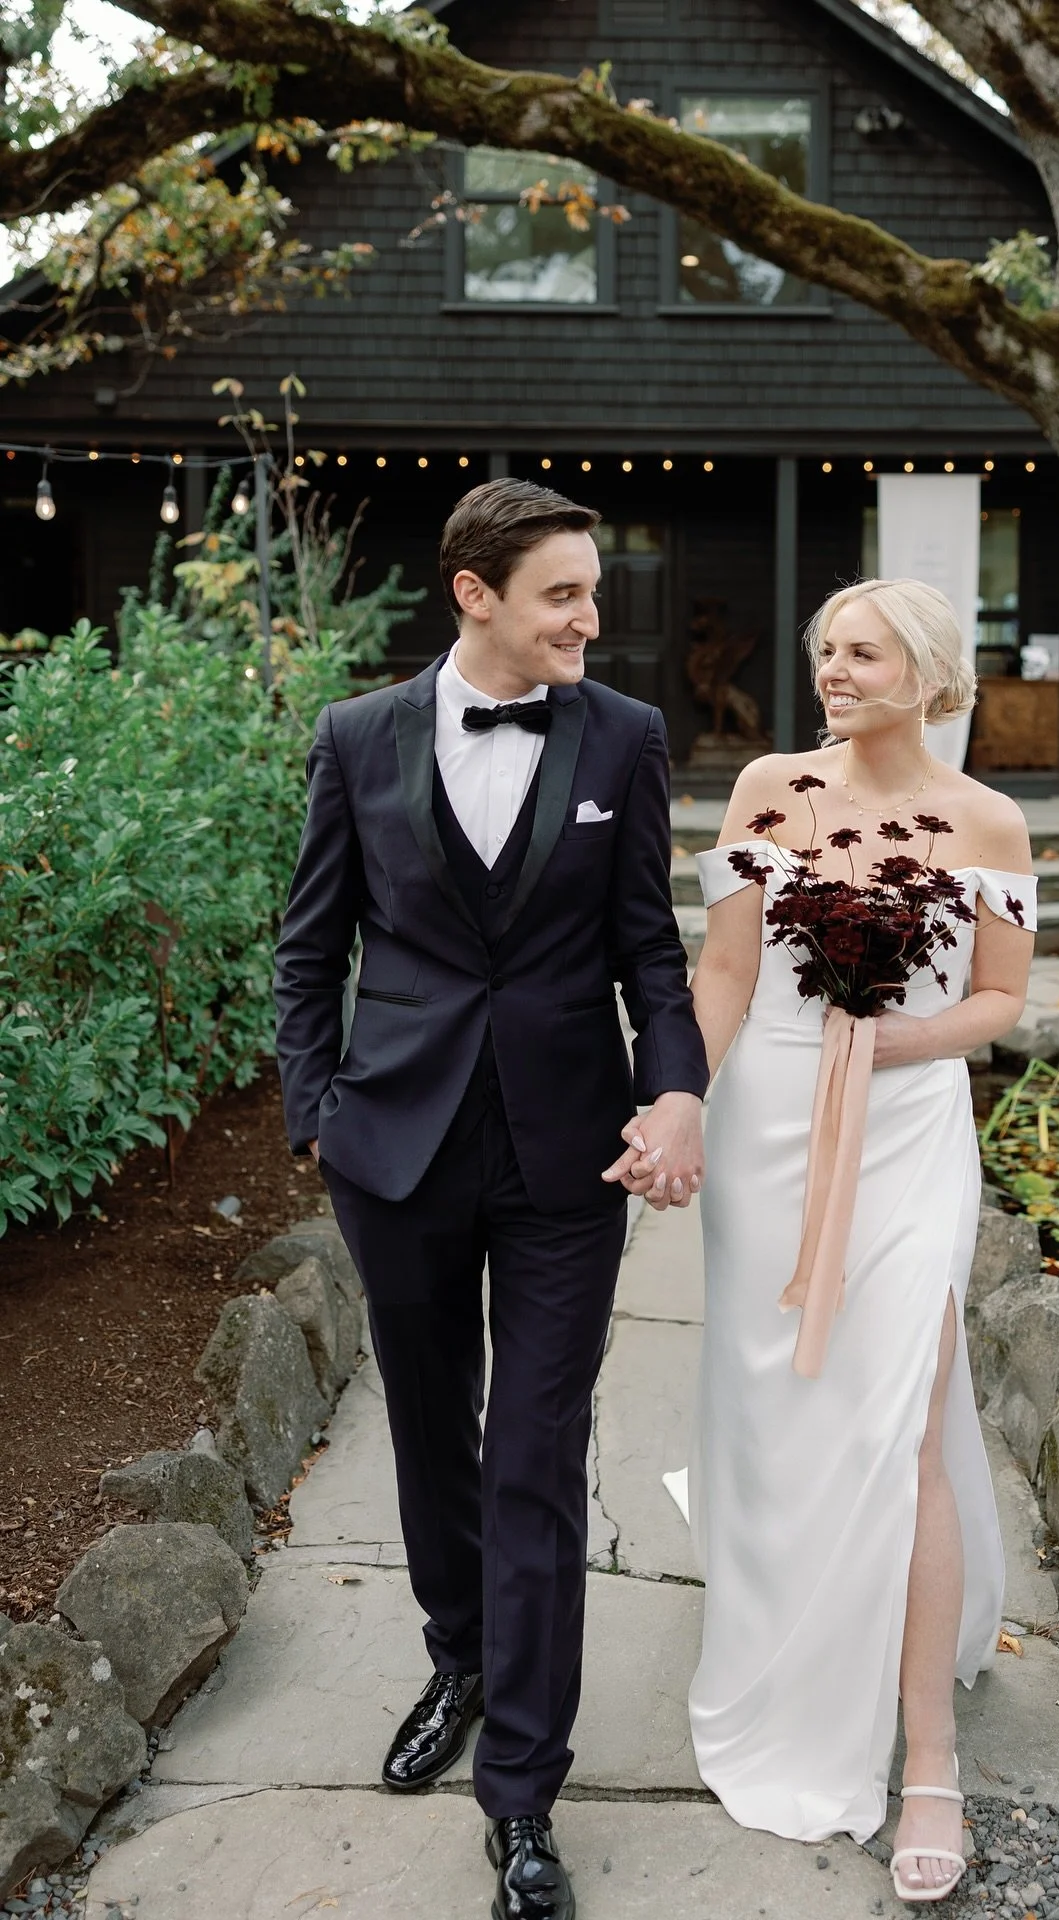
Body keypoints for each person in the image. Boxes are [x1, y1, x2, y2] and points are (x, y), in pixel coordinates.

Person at [273, 479, 708, 1920]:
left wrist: (680, 1088)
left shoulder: (627, 739)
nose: (591, 618)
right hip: (393, 1149)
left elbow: (651, 945)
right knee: (428, 1432)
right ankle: (458, 1648)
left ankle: (521, 1794)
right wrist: (316, 1115)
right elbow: (310, 944)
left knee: (536, 1452)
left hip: (566, 1155)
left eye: (592, 594)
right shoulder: (357, 736)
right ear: (477, 595)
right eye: (563, 596)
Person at [684, 578, 1036, 1903]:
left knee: (904, 1408)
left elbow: (999, 1003)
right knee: (781, 1405)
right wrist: (677, 1097)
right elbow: (723, 973)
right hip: (768, 1125)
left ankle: (927, 1760)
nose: (834, 670)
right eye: (826, 650)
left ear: (927, 672)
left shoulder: (990, 821)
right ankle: (782, 1636)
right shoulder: (769, 787)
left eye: (862, 652)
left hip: (906, 1135)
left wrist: (892, 1037)